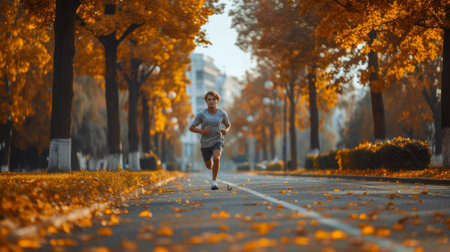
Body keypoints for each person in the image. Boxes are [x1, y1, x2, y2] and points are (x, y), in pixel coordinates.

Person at [189, 90, 231, 190]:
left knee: (217, 158)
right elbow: (191, 128)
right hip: (205, 143)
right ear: (206, 101)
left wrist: (225, 130)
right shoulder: (201, 114)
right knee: (209, 166)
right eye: (209, 100)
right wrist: (202, 131)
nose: (211, 101)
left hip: (218, 140)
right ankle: (212, 166)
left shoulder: (222, 113)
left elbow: (228, 125)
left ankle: (214, 182)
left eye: (213, 100)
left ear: (217, 101)